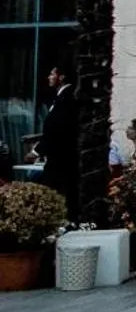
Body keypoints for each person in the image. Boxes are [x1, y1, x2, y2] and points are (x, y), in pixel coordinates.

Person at [34, 64, 78, 216]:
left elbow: (57, 129)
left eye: (52, 74)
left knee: (53, 191)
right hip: (58, 157)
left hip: (61, 157)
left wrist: (36, 150)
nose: (49, 77)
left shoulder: (67, 98)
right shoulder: (60, 97)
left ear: (61, 76)